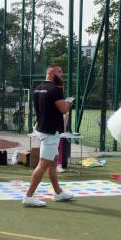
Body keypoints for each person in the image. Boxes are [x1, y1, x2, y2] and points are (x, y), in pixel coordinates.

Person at [23, 65, 74, 207]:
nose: (62, 76)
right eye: (60, 72)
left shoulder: (38, 88)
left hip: (43, 129)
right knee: (43, 164)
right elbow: (64, 109)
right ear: (51, 73)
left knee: (53, 161)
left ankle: (58, 193)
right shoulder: (55, 90)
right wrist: (69, 102)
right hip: (50, 133)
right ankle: (29, 196)